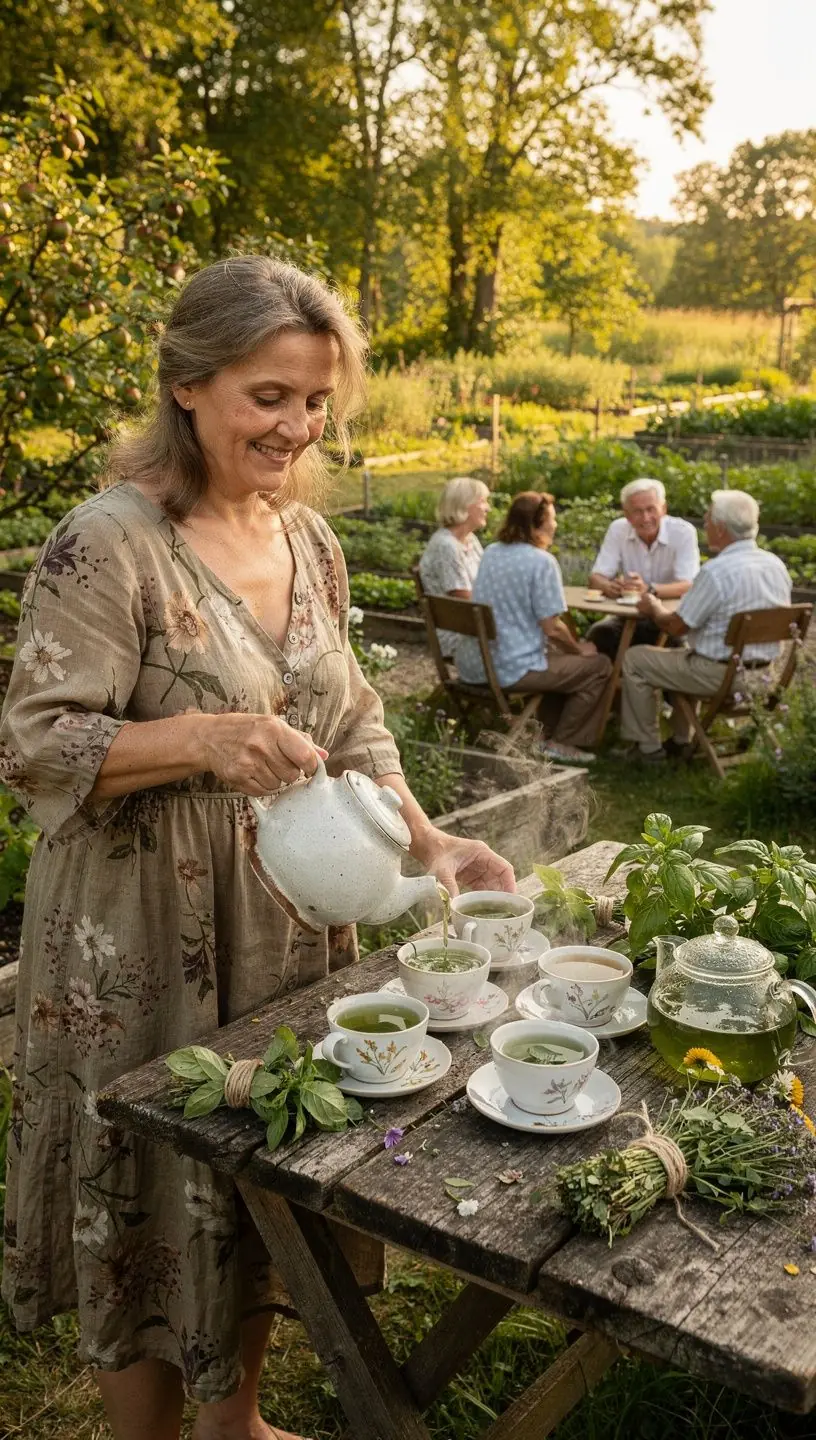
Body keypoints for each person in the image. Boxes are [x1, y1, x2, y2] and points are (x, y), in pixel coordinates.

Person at [0, 256, 514, 1440]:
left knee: (252, 1165)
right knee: (149, 1180)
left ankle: (235, 1428)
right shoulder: (110, 541)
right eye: (267, 395)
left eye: (316, 399)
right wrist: (201, 736)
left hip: (285, 915)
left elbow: (354, 724)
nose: (297, 425)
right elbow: (32, 741)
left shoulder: (309, 545)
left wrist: (433, 844)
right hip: (137, 926)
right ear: (189, 384)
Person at [619, 489, 791, 762]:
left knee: (636, 659)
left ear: (721, 529)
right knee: (690, 653)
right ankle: (681, 739)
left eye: (708, 519)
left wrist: (653, 608)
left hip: (721, 676)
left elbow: (676, 627)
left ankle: (647, 749)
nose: (705, 524)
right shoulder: (775, 565)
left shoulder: (716, 572)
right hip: (764, 675)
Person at [456, 491, 612, 765]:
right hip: (509, 669)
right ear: (537, 524)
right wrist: (579, 649)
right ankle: (563, 742)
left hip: (474, 663)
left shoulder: (492, 552)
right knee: (598, 666)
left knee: (558, 658)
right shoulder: (542, 562)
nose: (555, 525)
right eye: (552, 518)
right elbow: (552, 628)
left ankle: (543, 734)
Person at [587, 478, 700, 658]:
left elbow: (688, 584)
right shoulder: (618, 529)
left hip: (669, 619)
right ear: (626, 514)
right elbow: (595, 578)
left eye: (651, 509)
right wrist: (609, 587)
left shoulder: (683, 532)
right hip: (627, 616)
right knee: (598, 634)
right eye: (638, 512)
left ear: (663, 509)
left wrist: (649, 590)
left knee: (677, 646)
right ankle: (611, 685)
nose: (646, 518)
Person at [418, 475, 490, 659]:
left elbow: (487, 579)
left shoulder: (470, 540)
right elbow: (463, 599)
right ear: (465, 504)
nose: (487, 508)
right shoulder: (446, 546)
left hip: (475, 624)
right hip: (460, 633)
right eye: (482, 501)